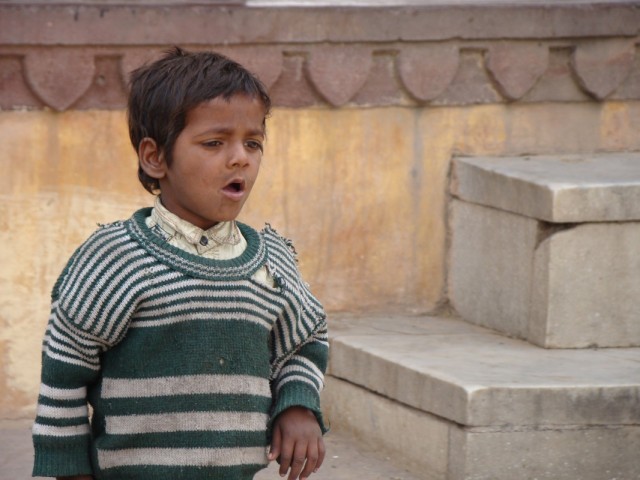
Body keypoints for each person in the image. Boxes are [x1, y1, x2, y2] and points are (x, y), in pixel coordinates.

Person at [32, 47, 329, 480]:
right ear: (155, 158)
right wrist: (70, 470)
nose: (241, 157)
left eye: (253, 143)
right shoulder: (115, 258)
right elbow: (63, 370)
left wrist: (299, 404)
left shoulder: (273, 262)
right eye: (214, 143)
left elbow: (305, 340)